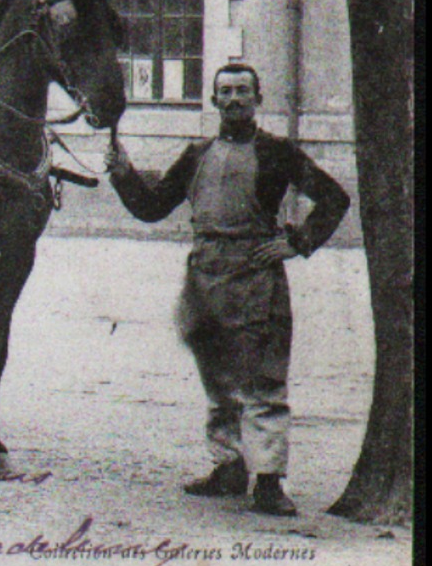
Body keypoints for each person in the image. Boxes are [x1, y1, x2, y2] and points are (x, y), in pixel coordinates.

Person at [105, 62, 351, 517]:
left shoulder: (278, 153)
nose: (235, 99)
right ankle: (228, 467)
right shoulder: (196, 156)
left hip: (257, 280)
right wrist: (123, 174)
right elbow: (152, 207)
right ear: (214, 100)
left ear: (258, 99)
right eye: (226, 92)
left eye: (243, 91)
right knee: (217, 379)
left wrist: (296, 242)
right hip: (205, 278)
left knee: (263, 381)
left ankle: (270, 481)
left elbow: (335, 198)